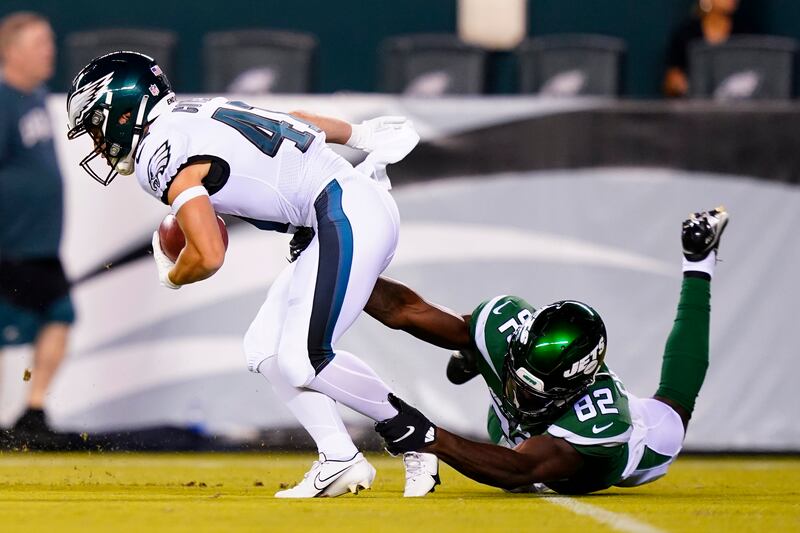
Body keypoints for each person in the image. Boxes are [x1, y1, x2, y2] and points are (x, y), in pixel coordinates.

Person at [66, 51, 437, 498]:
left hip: (344, 209)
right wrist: (359, 133)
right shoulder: (194, 110)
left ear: (124, 113)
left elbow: (208, 254)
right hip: (344, 206)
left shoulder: (158, 154)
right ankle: (339, 458)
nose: (96, 141)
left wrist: (172, 275)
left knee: (305, 358)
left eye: (95, 124)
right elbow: (295, 119)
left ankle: (414, 435)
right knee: (264, 347)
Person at [365, 207, 727, 494]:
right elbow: (405, 310)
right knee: (470, 338)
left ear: (572, 389)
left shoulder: (602, 420)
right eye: (518, 378)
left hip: (604, 449)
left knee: (674, 411)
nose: (519, 392)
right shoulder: (504, 329)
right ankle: (472, 351)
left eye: (533, 390)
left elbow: (519, 469)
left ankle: (698, 261)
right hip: (514, 426)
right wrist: (341, 270)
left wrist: (431, 436)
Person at [0, 11, 74, 439]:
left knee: (60, 313)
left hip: (41, 243)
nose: (51, 51)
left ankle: (34, 409)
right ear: (13, 51)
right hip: (11, 243)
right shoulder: (4, 100)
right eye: (40, 44)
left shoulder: (37, 97)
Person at [664, 0, 746, 97]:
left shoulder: (746, 33)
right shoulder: (686, 34)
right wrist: (677, 84)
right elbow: (671, 81)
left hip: (735, 108)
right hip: (695, 108)